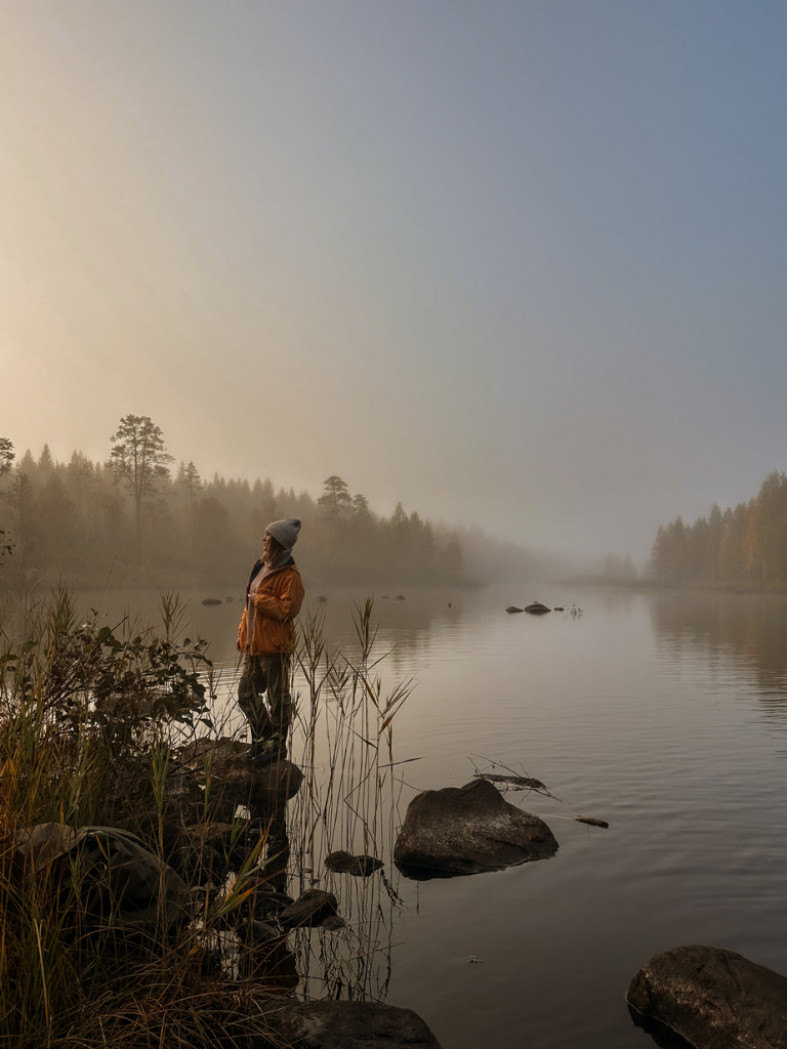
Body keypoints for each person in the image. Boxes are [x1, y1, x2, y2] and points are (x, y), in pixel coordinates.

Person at [236, 517, 305, 764]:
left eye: (268, 536)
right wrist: (242, 634)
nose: (263, 540)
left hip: (275, 649)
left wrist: (260, 600)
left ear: (277, 543)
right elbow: (248, 606)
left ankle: (276, 748)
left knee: (278, 702)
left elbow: (288, 611)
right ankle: (263, 739)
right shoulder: (259, 566)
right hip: (254, 646)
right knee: (245, 694)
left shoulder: (290, 576)